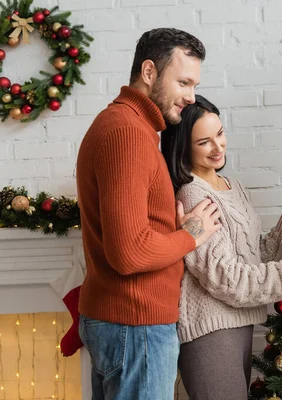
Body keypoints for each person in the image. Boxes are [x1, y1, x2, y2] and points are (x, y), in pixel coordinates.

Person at [160, 95, 282, 400]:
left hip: (237, 325)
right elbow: (229, 280)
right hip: (211, 333)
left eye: (219, 134)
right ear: (183, 147)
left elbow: (255, 260)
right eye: (204, 142)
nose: (218, 147)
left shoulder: (233, 186)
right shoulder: (193, 194)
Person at [76, 28, 222, 400]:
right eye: (184, 82)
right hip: (135, 325)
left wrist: (168, 229)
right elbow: (128, 253)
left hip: (127, 323)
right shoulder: (126, 133)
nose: (191, 97)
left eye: (194, 85)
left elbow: (131, 233)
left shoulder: (131, 127)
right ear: (149, 72)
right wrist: (191, 234)